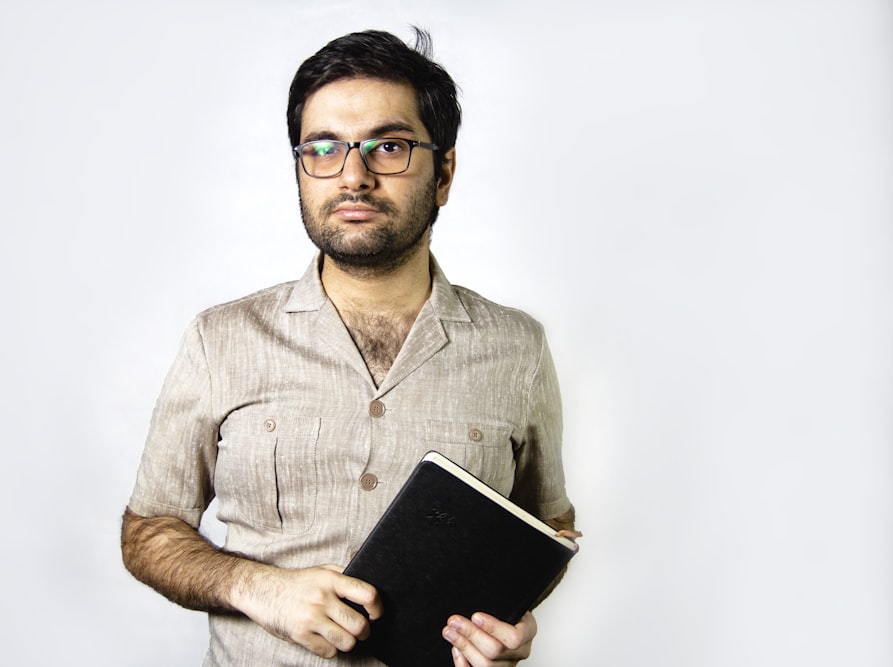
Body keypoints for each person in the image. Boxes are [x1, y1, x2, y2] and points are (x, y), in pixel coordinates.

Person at [121, 28, 578, 667]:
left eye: (388, 146)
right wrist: (260, 589)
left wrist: (510, 619)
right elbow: (148, 533)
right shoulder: (219, 339)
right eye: (324, 148)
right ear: (300, 168)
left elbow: (546, 531)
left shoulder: (518, 348)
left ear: (444, 172)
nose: (353, 176)